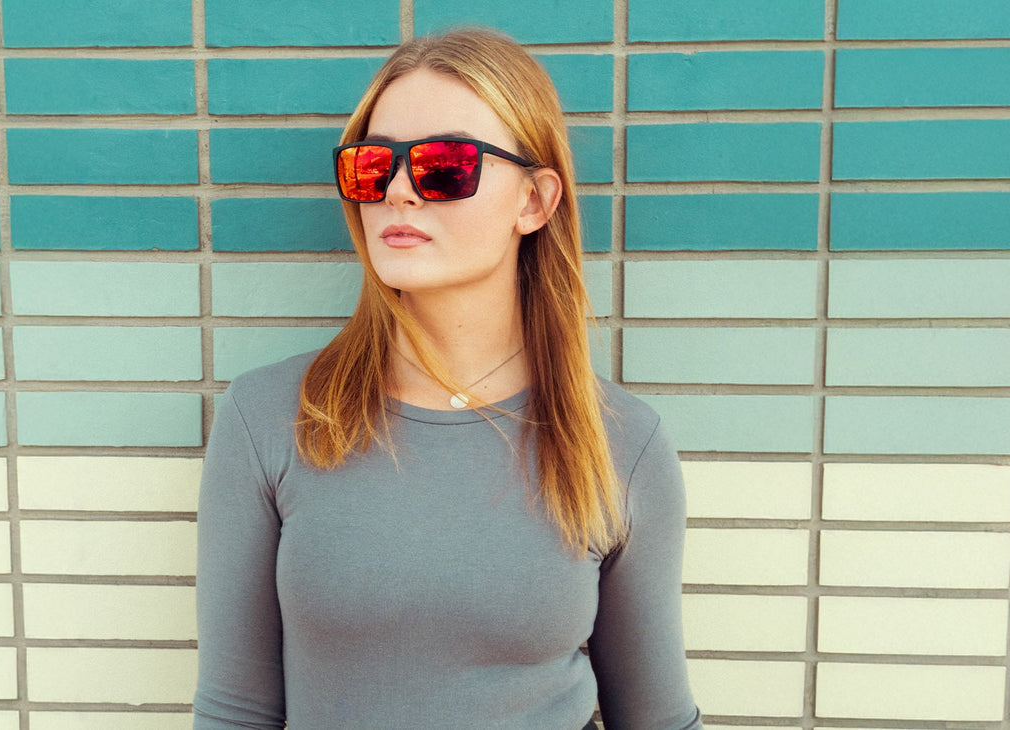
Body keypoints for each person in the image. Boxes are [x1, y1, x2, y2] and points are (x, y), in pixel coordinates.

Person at [193, 27, 703, 730]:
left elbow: (657, 718)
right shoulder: (272, 417)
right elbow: (234, 711)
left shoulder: (619, 443)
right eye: (373, 165)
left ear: (534, 201)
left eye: (444, 163)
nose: (398, 191)